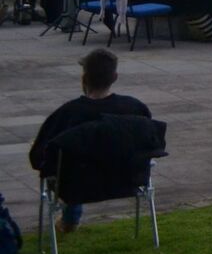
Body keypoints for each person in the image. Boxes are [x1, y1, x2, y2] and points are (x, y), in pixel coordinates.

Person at [29, 49, 155, 234]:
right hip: (128, 180)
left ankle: (69, 219)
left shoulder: (68, 114)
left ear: (85, 77)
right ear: (115, 77)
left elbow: (38, 158)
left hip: (77, 185)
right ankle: (70, 218)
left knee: (68, 163)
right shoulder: (135, 108)